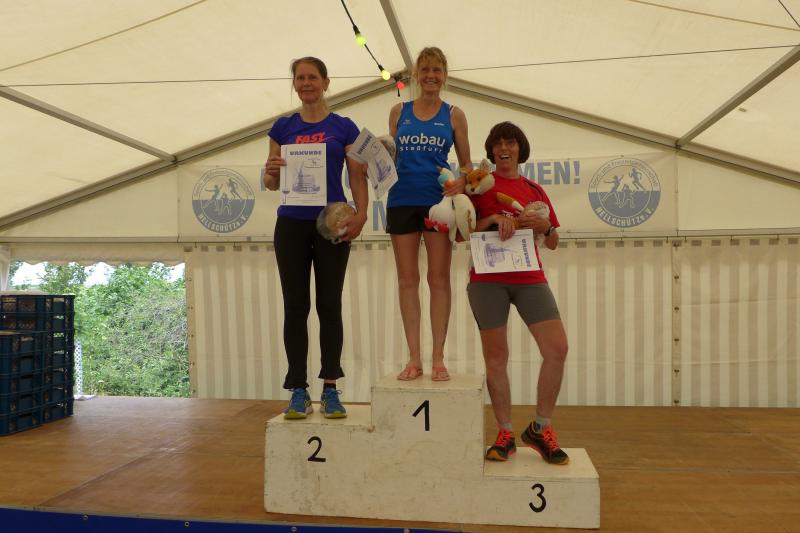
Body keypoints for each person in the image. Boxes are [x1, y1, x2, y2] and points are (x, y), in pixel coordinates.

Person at [264, 57, 368, 419]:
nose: (306, 83)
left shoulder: (344, 127)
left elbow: (357, 175)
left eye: (312, 77)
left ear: (326, 82)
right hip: (291, 224)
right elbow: (272, 183)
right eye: (300, 78)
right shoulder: (283, 127)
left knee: (329, 304)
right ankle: (298, 389)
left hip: (332, 224)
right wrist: (270, 171)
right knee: (295, 306)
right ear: (294, 84)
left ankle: (330, 389)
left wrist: (361, 214)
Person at [468, 122, 569, 465]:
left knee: (557, 348)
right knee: (496, 358)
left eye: (510, 143)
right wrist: (493, 220)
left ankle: (540, 428)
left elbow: (553, 242)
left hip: (529, 277)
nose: (503, 149)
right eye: (497, 144)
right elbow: (461, 233)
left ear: (520, 149)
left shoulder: (534, 190)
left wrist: (546, 226)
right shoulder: (479, 187)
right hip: (487, 280)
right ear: (491, 150)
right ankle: (505, 433)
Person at [386, 46, 472, 382]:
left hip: (439, 203)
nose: (431, 76)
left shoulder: (454, 115)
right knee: (407, 280)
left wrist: (462, 182)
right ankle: (414, 359)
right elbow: (389, 158)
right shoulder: (399, 112)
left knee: (438, 279)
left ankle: (438, 358)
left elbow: (467, 165)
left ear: (445, 75)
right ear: (416, 76)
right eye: (425, 70)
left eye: (437, 70)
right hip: (401, 200)